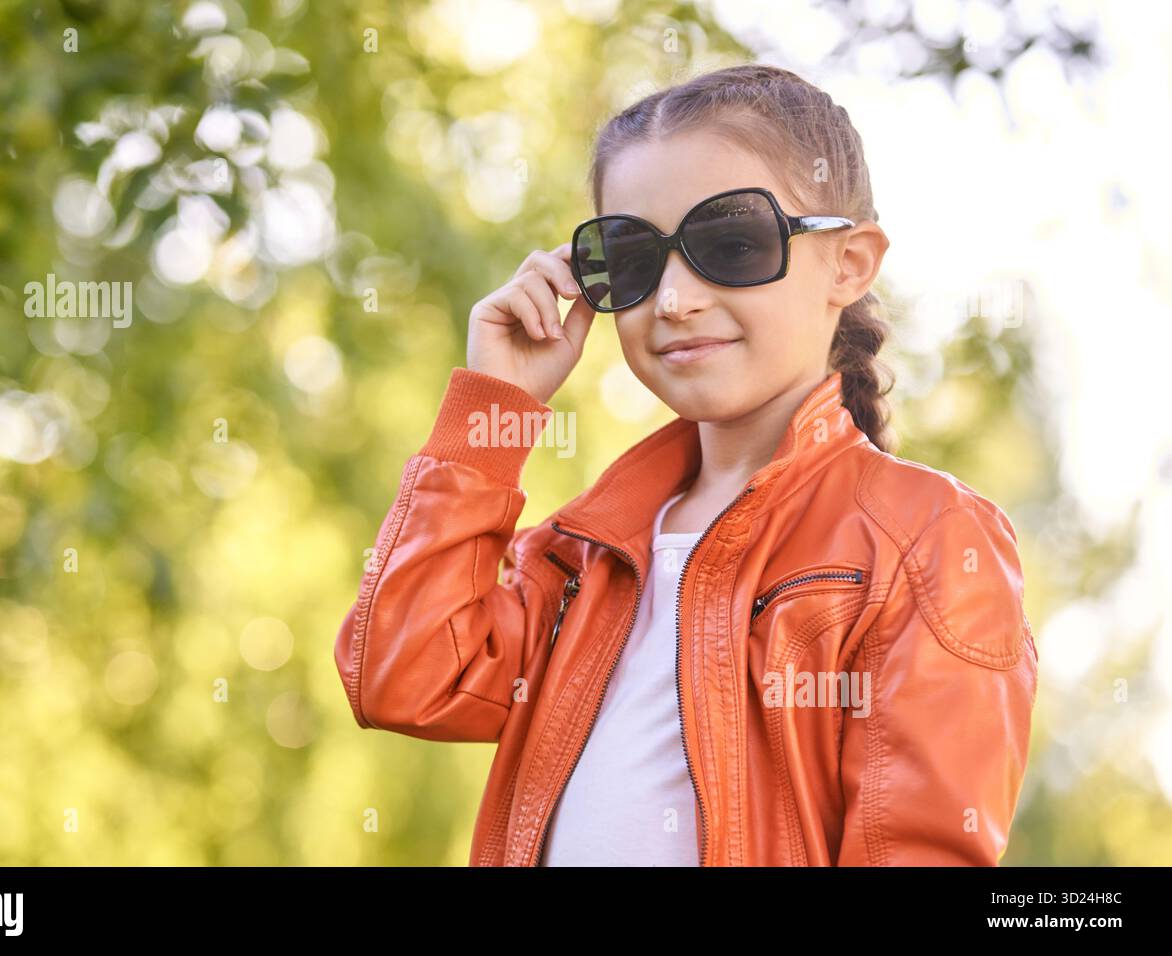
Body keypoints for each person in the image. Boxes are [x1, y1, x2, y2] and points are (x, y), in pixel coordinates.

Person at [334, 63, 1038, 867]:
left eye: (730, 243)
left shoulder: (928, 538)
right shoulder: (582, 553)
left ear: (848, 264)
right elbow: (403, 677)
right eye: (629, 259)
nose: (672, 300)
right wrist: (494, 409)